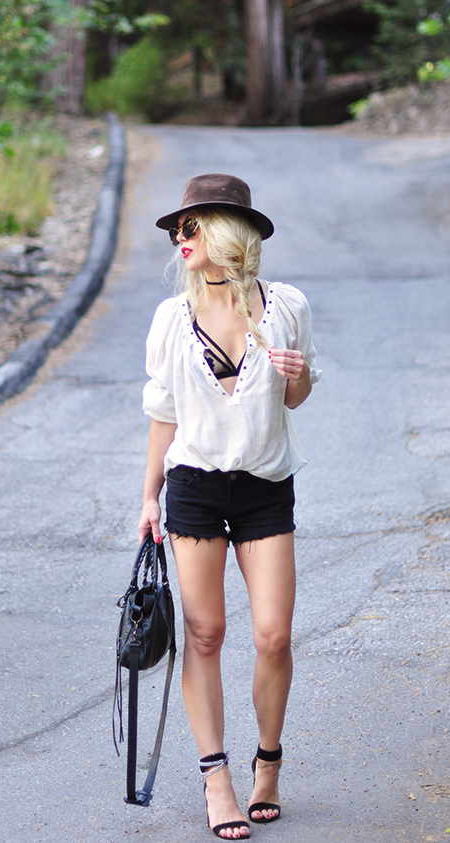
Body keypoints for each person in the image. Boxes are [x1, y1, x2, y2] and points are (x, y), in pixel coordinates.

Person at [138, 174, 320, 839]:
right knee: (205, 632)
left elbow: (296, 398)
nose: (180, 239)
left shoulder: (285, 305)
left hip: (265, 484)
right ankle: (217, 777)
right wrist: (148, 496)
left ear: (225, 231)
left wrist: (294, 376)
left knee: (272, 633)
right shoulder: (170, 317)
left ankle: (267, 762)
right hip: (193, 486)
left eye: (191, 227)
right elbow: (162, 414)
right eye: (177, 230)